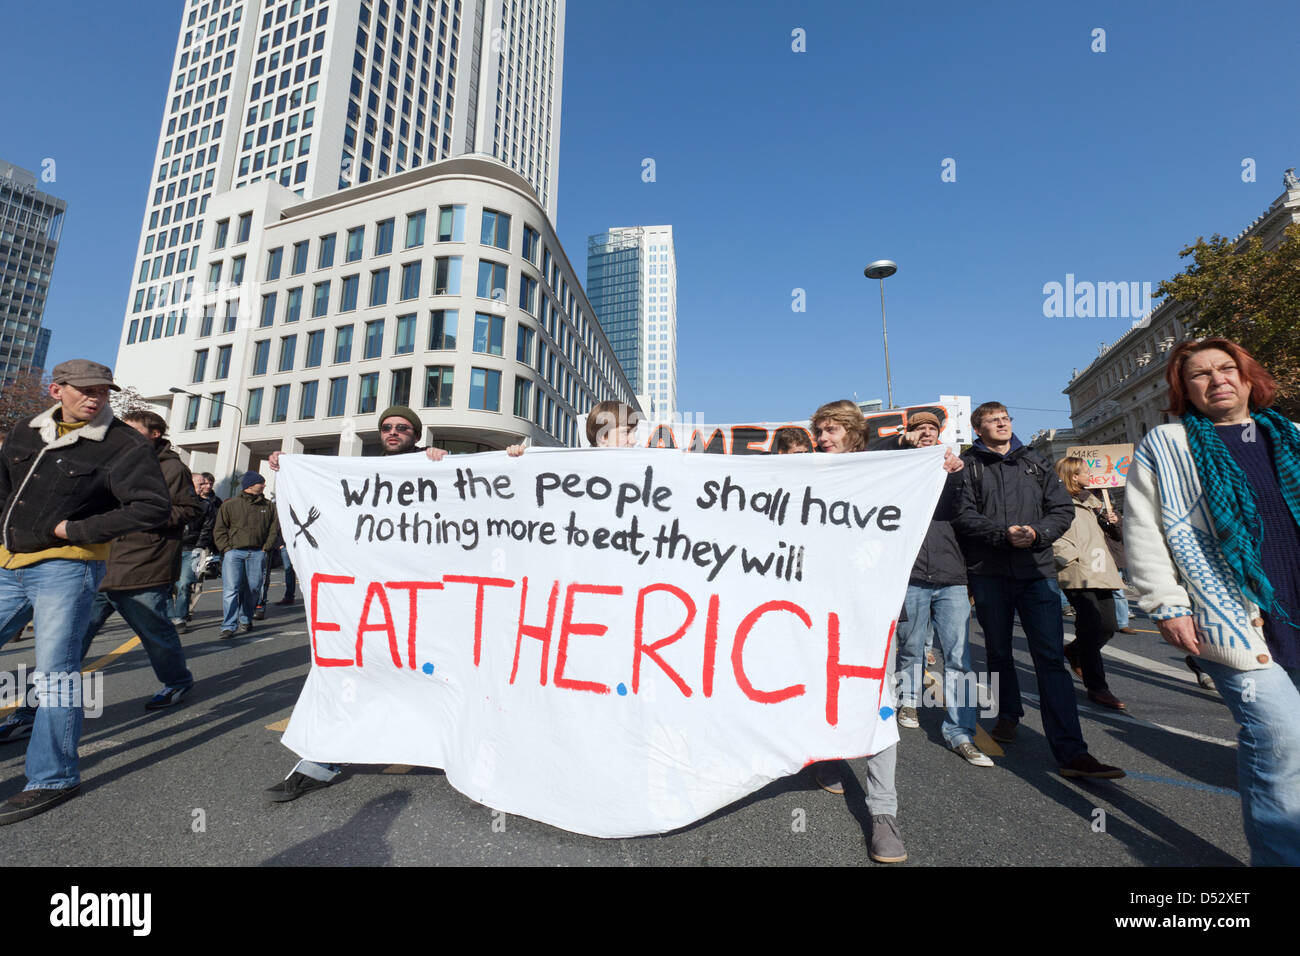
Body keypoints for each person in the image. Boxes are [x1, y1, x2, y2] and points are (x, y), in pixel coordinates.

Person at [1125, 337, 1300, 865]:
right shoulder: (1167, 444)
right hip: (1231, 613)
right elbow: (1144, 530)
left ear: (1248, 378)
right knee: (1279, 738)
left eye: (1227, 369)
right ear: (1185, 390)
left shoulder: (1290, 435)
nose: (1217, 379)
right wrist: (1166, 605)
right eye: (1200, 375)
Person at [0, 359, 170, 823]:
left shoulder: (123, 443)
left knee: (55, 675)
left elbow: (153, 508)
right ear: (57, 390)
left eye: (102, 390)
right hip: (7, 564)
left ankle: (53, 777)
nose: (95, 398)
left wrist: (75, 528)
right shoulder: (24, 430)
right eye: (84, 390)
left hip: (67, 569)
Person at [263, 404, 449, 801]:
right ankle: (320, 760)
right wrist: (287, 465)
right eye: (387, 427)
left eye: (402, 427)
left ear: (416, 434)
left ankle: (459, 754)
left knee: (434, 675)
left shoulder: (434, 466)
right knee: (350, 671)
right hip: (366, 597)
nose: (394, 432)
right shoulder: (359, 471)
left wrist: (443, 461)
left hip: (425, 597)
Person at [810, 399, 963, 863]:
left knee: (878, 703)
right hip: (818, 605)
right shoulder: (808, 470)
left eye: (831, 430)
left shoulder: (887, 467)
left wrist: (949, 471)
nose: (822, 438)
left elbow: (942, 508)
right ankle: (830, 757)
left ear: (853, 433)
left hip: (873, 608)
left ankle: (883, 815)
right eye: (818, 431)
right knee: (822, 692)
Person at [953, 401, 1123, 780]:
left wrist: (1037, 534)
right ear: (978, 429)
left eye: (1005, 418)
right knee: (998, 652)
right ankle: (1009, 714)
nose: (1001, 423)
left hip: (1037, 571)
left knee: (1049, 658)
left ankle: (1072, 751)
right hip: (990, 573)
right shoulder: (970, 466)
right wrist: (1002, 535)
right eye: (992, 420)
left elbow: (1060, 509)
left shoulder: (1035, 461)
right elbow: (963, 515)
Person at [874, 411, 993, 767]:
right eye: (917, 429)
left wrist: (953, 472)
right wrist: (898, 444)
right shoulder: (896, 466)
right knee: (910, 646)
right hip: (910, 575)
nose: (925, 433)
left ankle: (961, 733)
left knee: (958, 657)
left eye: (931, 429)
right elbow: (863, 455)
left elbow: (966, 511)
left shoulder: (954, 468)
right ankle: (908, 698)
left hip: (952, 576)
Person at [1053, 456, 1126, 710]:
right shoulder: (1055, 500)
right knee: (1091, 624)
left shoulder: (1094, 502)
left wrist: (1113, 522)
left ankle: (1074, 651)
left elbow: (1114, 537)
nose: (1091, 474)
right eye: (1086, 471)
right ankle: (1097, 687)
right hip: (1076, 571)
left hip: (1100, 569)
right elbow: (1051, 532)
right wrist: (1068, 557)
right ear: (1073, 476)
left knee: (1108, 625)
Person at [212, 472, 279, 639]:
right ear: (250, 485)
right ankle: (228, 626)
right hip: (234, 553)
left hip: (257, 553)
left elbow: (274, 528)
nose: (263, 485)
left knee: (254, 588)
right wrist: (226, 549)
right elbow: (219, 529)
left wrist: (266, 547)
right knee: (231, 589)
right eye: (261, 483)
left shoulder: (268, 506)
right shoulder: (230, 505)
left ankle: (246, 618)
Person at [170, 471, 221, 632]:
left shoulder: (206, 505)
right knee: (165, 585)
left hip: (192, 549)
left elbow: (207, 528)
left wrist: (199, 547)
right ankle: (168, 615)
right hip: (171, 548)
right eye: (201, 484)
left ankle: (180, 618)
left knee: (185, 583)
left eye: (206, 484)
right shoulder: (173, 500)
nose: (204, 487)